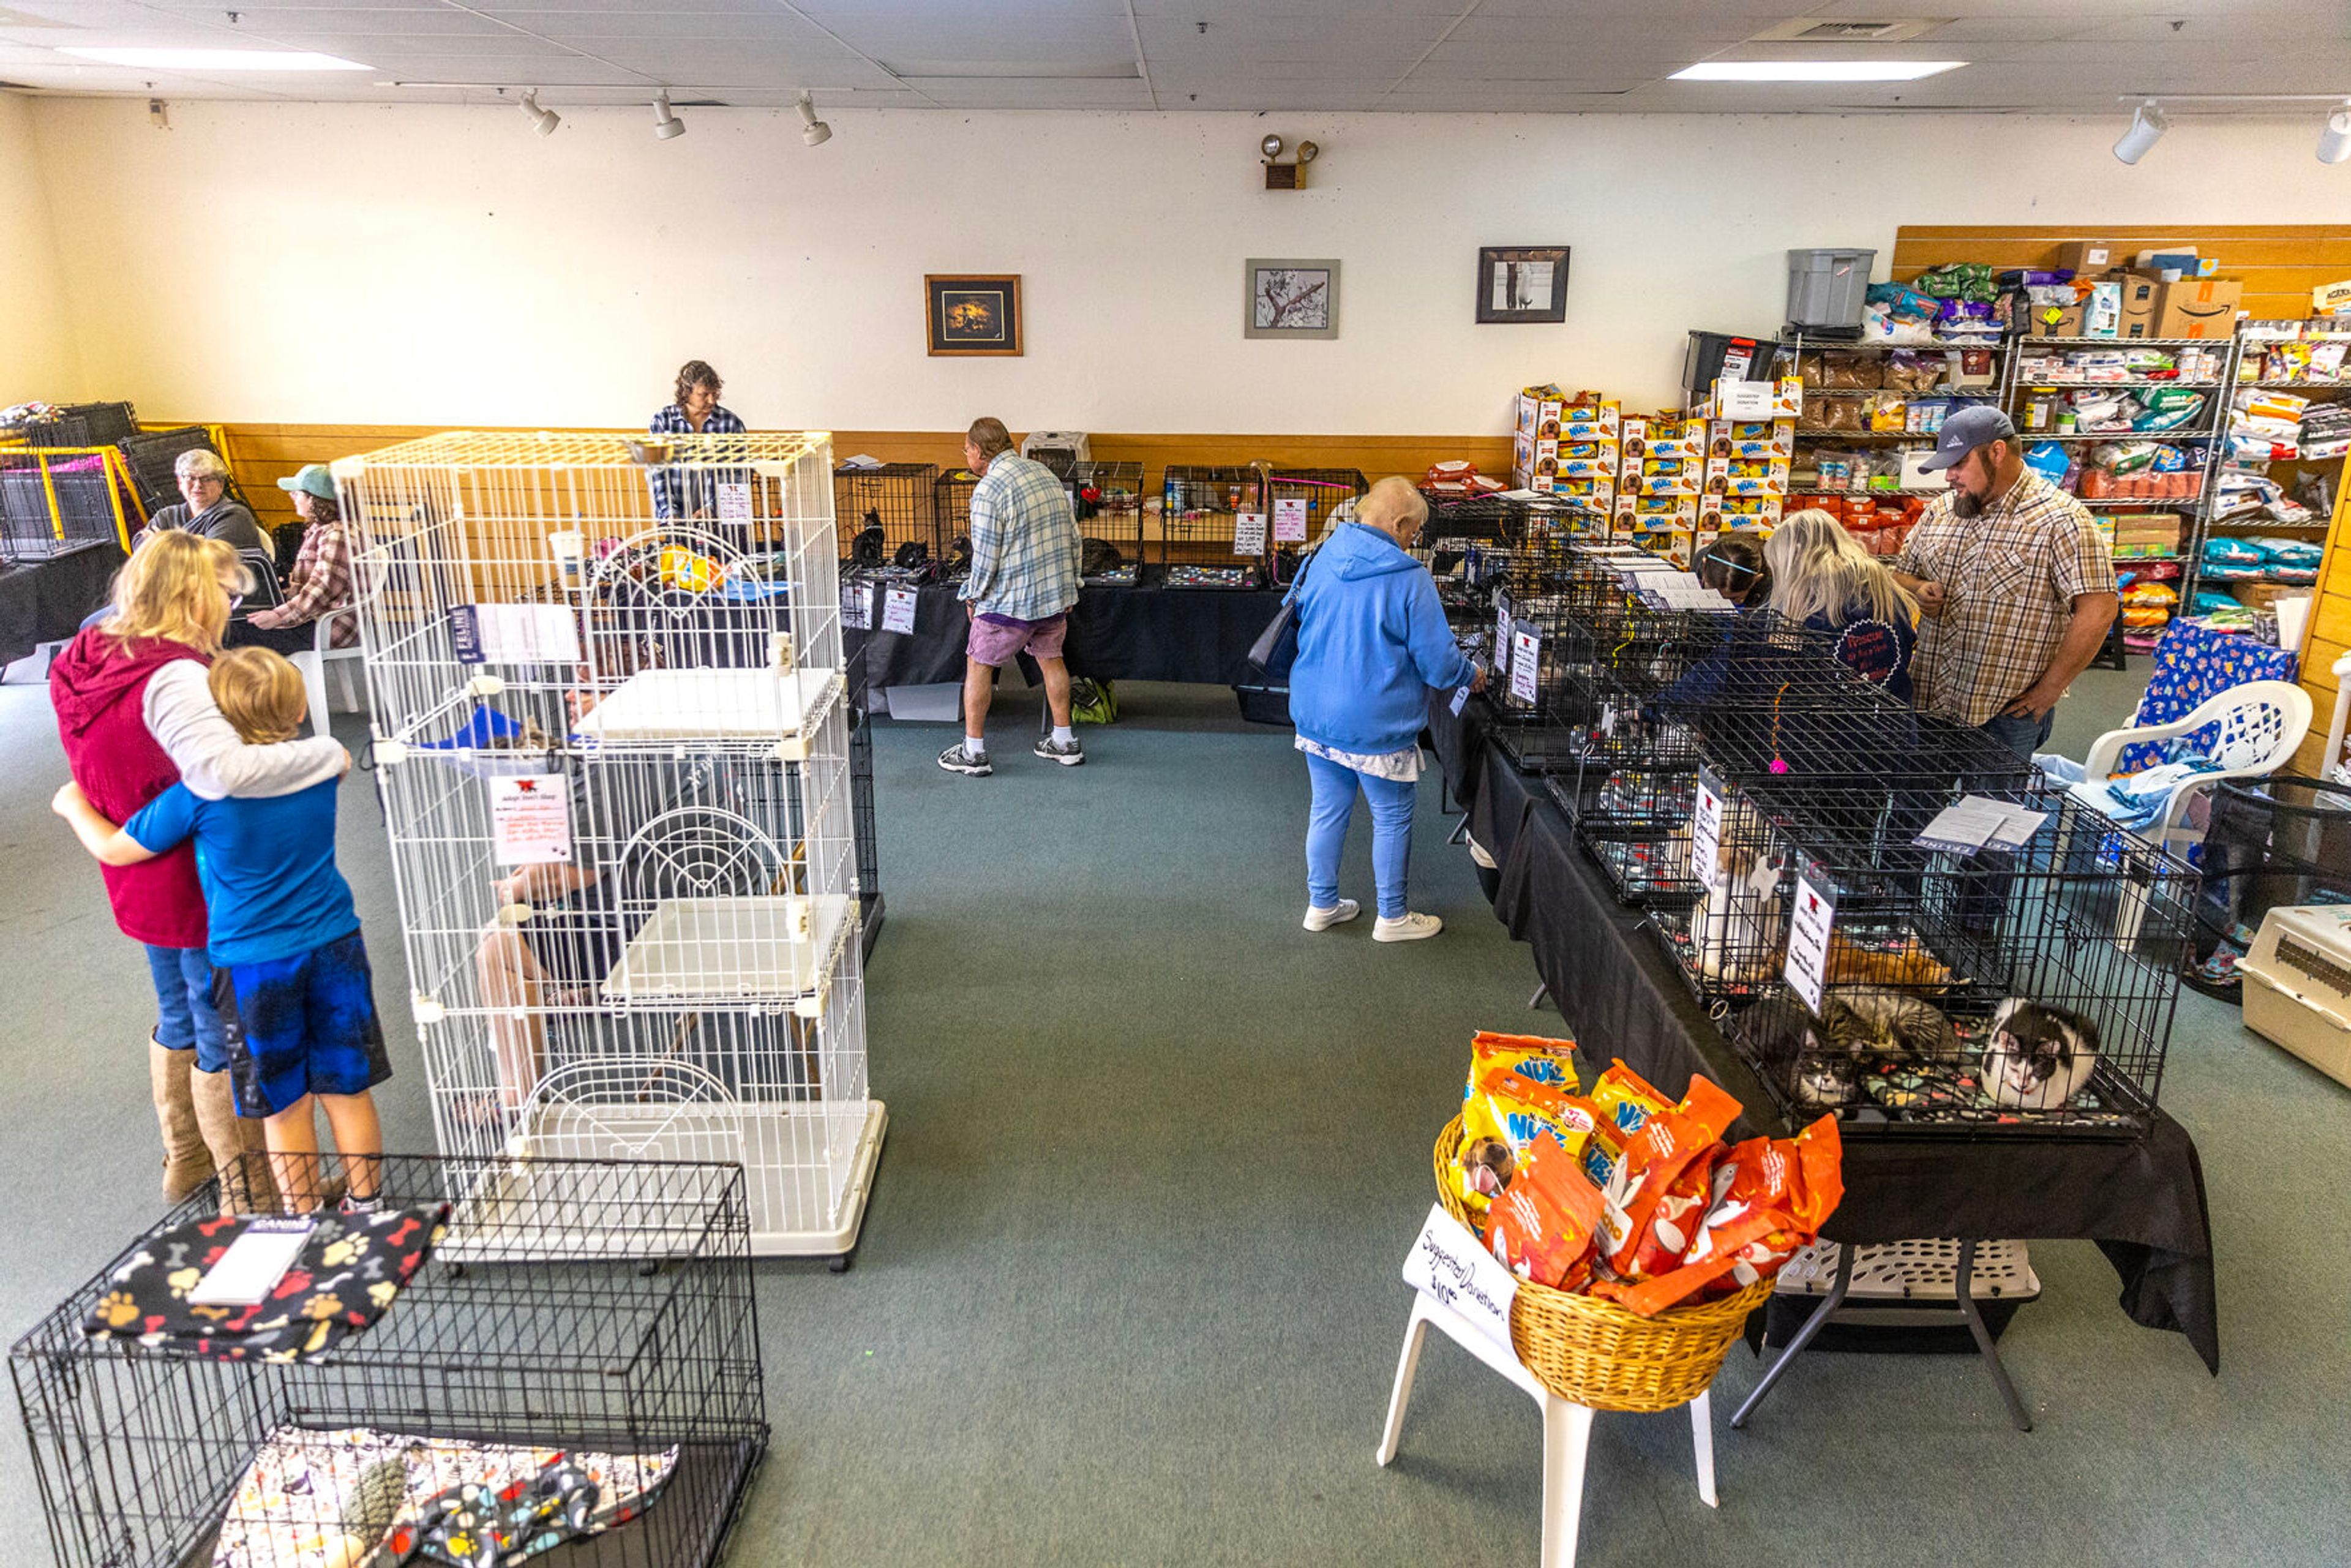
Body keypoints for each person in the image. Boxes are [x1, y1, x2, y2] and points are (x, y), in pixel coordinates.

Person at [48, 533, 344, 1208]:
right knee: (222, 1026)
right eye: (223, 592)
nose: (226, 607)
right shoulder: (173, 673)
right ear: (190, 591)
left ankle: (186, 1159)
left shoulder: (85, 653)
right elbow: (219, 772)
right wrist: (322, 756)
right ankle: (252, 1188)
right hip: (201, 875)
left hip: (134, 863)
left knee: (177, 1010)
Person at [1286, 476, 1483, 942]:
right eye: (1414, 531)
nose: (1414, 540)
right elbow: (1438, 664)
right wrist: (1468, 673)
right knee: (1391, 816)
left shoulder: (1325, 553)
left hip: (1316, 710)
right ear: (1398, 524)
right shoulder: (1408, 577)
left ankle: (1322, 903)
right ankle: (1392, 916)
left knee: (1328, 810)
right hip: (1376, 721)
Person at [1892, 407, 2118, 757]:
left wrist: (2049, 691)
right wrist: (1919, 588)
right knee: (1915, 809)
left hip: (2006, 710)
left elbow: (2099, 610)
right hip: (1931, 698)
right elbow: (1901, 574)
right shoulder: (1940, 511)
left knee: (1993, 811)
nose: (1949, 477)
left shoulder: (2062, 520)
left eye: (1958, 464)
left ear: (1997, 452)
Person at [936, 417, 1085, 776]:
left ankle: (973, 753)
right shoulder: (1045, 473)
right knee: (1052, 660)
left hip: (1009, 604)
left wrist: (973, 596)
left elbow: (986, 557)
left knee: (979, 664)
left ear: (977, 451)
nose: (966, 455)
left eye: (966, 449)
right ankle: (1065, 743)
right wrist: (1072, 584)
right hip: (1053, 596)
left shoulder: (988, 490)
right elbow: (1073, 535)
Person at [1763, 509, 1919, 703]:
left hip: (1828, 727)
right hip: (1891, 722)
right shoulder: (1885, 592)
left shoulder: (1813, 606)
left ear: (1794, 556)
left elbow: (1786, 675)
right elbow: (1907, 646)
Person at [234, 463, 357, 655]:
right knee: (240, 624)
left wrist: (277, 616)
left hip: (325, 626)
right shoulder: (323, 531)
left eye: (297, 493)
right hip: (312, 617)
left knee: (237, 633)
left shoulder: (338, 536)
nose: (292, 496)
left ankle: (264, 683)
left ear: (314, 501)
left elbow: (323, 588)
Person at [648, 359, 747, 520]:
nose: (711, 400)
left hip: (720, 521)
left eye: (715, 394)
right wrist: (669, 513)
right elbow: (655, 473)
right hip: (675, 522)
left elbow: (740, 475)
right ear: (686, 392)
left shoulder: (731, 424)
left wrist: (712, 510)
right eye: (704, 395)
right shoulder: (662, 421)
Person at [135, 448, 270, 557]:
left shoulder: (235, 515)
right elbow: (140, 546)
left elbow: (207, 560)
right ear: (180, 483)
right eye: (190, 478)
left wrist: (161, 543)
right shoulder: (167, 515)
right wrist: (192, 543)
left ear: (221, 485)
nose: (198, 485)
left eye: (207, 479)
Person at [1693, 533, 1771, 607]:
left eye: (1733, 598)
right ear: (1704, 565)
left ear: (1756, 579)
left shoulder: (1772, 581)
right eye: (1714, 594)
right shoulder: (1700, 560)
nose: (1722, 604)